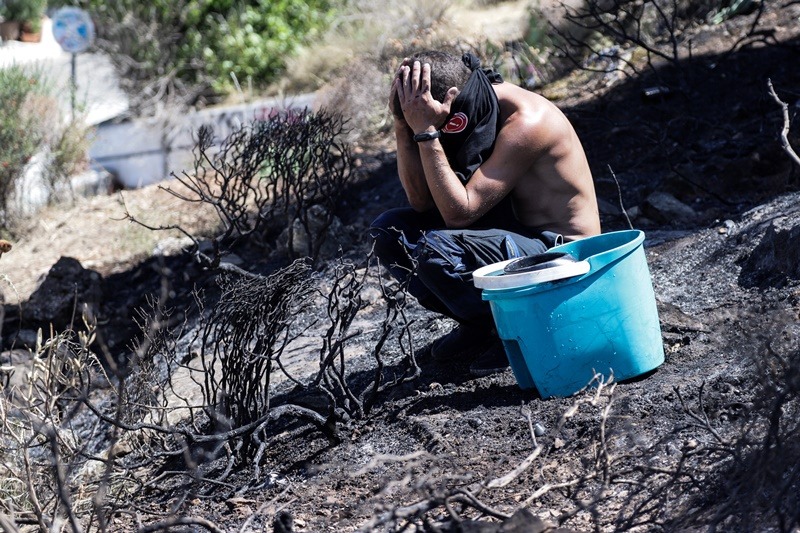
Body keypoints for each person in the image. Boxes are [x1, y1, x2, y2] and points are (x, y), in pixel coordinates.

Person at [369, 50, 601, 377]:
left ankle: (513, 333)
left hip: (560, 255)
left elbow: (459, 214)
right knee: (390, 231)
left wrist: (427, 134)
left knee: (437, 250)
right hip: (510, 236)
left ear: (452, 99)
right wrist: (403, 125)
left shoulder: (526, 121)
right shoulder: (473, 108)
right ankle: (479, 324)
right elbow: (420, 202)